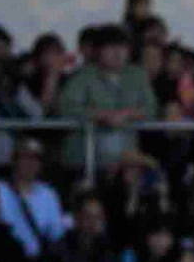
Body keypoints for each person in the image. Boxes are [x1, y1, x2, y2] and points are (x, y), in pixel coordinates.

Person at [57, 23, 158, 171]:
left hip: (127, 151)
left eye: (122, 48)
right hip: (88, 152)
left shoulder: (137, 76)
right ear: (98, 51)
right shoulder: (84, 76)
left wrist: (127, 114)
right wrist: (101, 116)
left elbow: (151, 108)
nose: (118, 53)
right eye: (111, 48)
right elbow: (66, 108)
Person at [0, 138, 65, 258]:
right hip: (6, 259)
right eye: (26, 157)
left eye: (36, 158)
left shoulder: (48, 194)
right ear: (14, 160)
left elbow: (56, 234)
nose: (31, 163)